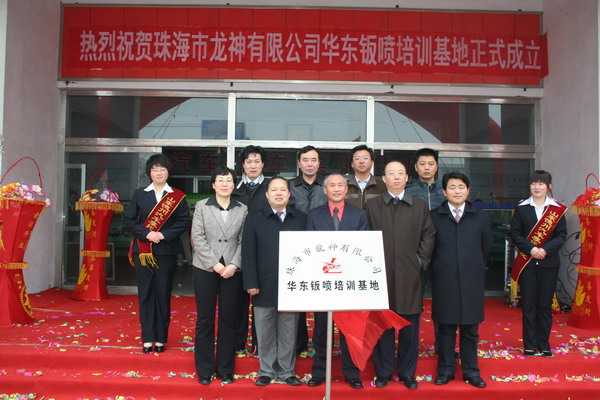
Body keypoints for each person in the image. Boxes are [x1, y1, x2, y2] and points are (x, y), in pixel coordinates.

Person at [366, 160, 435, 390]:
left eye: (400, 173)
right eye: (391, 173)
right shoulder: (373, 205)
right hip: (381, 275)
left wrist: (419, 261)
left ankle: (407, 373)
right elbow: (365, 236)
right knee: (382, 326)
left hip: (410, 275)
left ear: (407, 178)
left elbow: (429, 235)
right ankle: (383, 372)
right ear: (384, 179)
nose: (396, 177)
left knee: (409, 328)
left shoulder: (419, 205)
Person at [306, 173, 369, 389]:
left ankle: (352, 373)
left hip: (348, 281)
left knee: (350, 330)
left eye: (340, 185)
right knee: (321, 329)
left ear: (346, 189)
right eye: (331, 185)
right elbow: (309, 247)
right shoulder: (314, 215)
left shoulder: (359, 214)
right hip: (323, 280)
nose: (336, 188)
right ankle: (319, 372)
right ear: (325, 190)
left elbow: (363, 248)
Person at [242, 177, 306, 386]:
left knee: (289, 329)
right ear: (267, 195)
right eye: (274, 190)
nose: (279, 193)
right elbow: (248, 252)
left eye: (283, 190)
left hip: (291, 285)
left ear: (289, 194)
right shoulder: (254, 218)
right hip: (263, 283)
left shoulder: (300, 219)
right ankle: (266, 370)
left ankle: (287, 371)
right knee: (264, 328)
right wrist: (251, 282)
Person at [123, 154, 189, 354]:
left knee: (162, 294)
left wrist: (163, 235)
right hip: (143, 252)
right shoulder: (140, 194)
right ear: (149, 173)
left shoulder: (177, 196)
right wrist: (147, 234)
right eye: (154, 169)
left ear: (168, 172)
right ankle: (147, 337)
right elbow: (129, 220)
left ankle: (160, 338)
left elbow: (183, 222)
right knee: (145, 294)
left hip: (166, 252)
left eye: (162, 169)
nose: (158, 173)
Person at [430, 172, 491, 389]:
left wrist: (475, 267)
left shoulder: (480, 216)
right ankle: (445, 370)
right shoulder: (434, 216)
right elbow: (430, 249)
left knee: (470, 329)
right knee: (445, 328)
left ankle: (471, 371)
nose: (457, 191)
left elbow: (486, 248)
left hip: (471, 280)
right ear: (444, 192)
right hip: (444, 280)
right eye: (452, 187)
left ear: (468, 190)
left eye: (461, 187)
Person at [191, 166, 248, 385]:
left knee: (229, 319)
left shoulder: (242, 209)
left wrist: (233, 264)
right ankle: (204, 370)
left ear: (234, 185)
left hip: (232, 269)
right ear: (213, 184)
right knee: (205, 319)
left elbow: (244, 240)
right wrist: (214, 264)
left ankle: (225, 369)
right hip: (205, 268)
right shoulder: (202, 206)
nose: (225, 184)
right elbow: (197, 238)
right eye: (221, 180)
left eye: (229, 180)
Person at [510, 170, 567, 357]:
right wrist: (531, 249)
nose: (537, 187)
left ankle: (543, 344)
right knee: (528, 305)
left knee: (544, 306)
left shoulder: (557, 210)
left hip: (549, 263)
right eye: (534, 183)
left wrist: (545, 249)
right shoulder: (521, 208)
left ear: (548, 186)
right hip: (527, 264)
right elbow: (515, 233)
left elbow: (561, 236)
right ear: (530, 186)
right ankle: (529, 344)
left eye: (541, 184)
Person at [289, 145, 327, 356]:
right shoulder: (289, 186)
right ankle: (298, 344)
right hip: (296, 248)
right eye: (305, 160)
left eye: (313, 160)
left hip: (322, 249)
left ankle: (322, 346)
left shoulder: (327, 186)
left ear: (319, 163)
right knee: (297, 299)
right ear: (299, 163)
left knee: (322, 300)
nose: (310, 164)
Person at [232, 145, 269, 354]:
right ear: (243, 165)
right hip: (237, 250)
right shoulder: (234, 188)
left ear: (262, 164)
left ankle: (258, 343)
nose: (253, 165)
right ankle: (238, 343)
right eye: (249, 162)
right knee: (238, 301)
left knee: (261, 301)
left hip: (263, 251)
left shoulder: (272, 187)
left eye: (257, 161)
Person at [345, 145, 385, 209]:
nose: (361, 161)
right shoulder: (344, 185)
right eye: (357, 158)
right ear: (352, 164)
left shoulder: (382, 185)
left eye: (365, 158)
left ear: (372, 163)